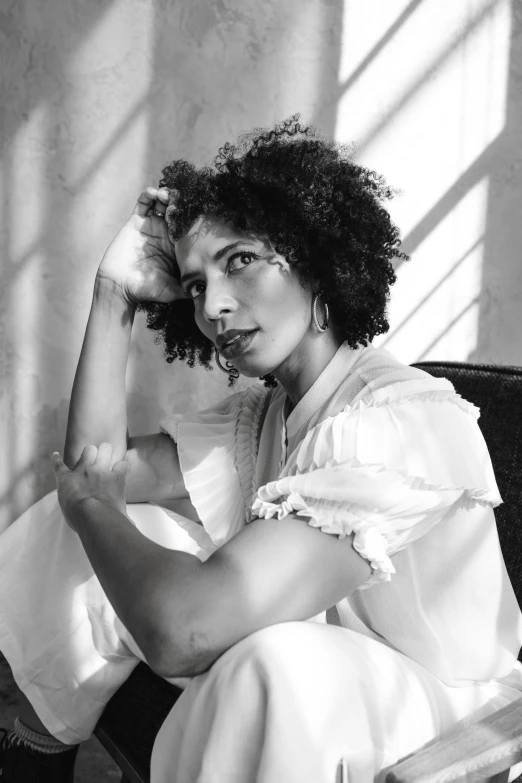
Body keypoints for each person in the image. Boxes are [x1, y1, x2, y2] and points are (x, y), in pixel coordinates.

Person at [0, 114, 521, 783]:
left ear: (314, 258)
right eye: (194, 285)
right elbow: (94, 469)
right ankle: (34, 750)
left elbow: (185, 630)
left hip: (448, 720)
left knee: (274, 663)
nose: (213, 305)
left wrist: (92, 508)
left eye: (240, 260)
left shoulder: (399, 422)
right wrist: (113, 298)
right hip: (317, 694)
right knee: (98, 529)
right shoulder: (265, 413)